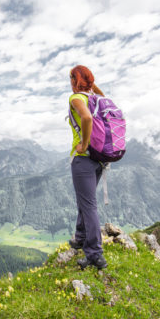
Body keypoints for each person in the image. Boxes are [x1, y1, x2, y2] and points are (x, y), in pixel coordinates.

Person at [67, 65, 107, 270]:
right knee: (85, 201)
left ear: (75, 81)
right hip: (99, 159)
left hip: (83, 158)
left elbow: (87, 118)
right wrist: (91, 85)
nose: (69, 83)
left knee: (88, 204)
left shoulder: (76, 99)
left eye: (71, 79)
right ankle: (80, 238)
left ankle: (94, 254)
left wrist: (83, 143)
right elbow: (103, 95)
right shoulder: (95, 99)